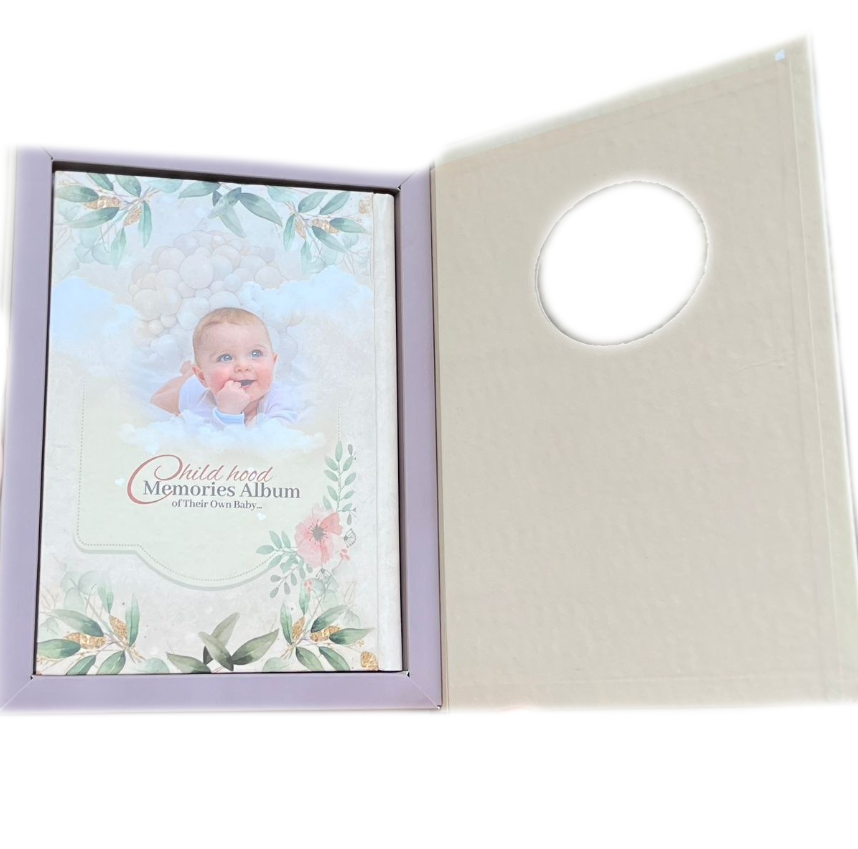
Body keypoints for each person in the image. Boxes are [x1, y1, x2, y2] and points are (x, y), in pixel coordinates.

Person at [151, 307, 298, 427]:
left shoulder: (277, 399)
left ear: (273, 362)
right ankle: (188, 374)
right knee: (158, 402)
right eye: (225, 357)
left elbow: (281, 434)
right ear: (202, 376)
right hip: (191, 388)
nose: (243, 366)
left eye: (255, 353)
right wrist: (228, 413)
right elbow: (217, 446)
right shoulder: (202, 406)